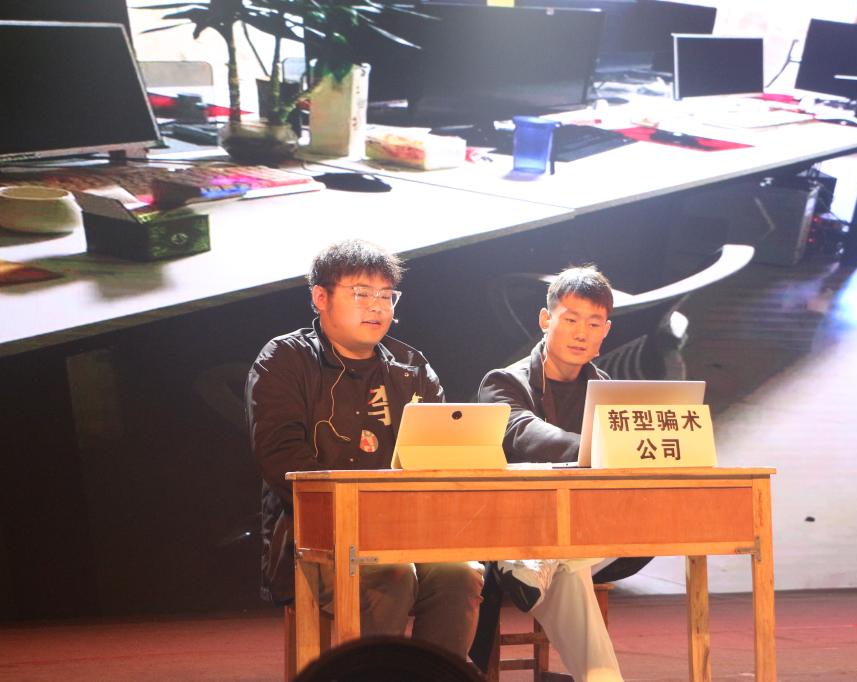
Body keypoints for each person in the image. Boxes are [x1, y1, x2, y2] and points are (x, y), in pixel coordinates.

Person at [246, 239, 483, 659]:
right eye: (361, 293)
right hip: (317, 542)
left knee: (460, 573)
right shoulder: (285, 359)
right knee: (389, 574)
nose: (377, 307)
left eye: (386, 296)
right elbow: (283, 463)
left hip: (409, 535)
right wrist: (363, 523)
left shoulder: (411, 366)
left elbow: (439, 457)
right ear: (321, 297)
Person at [473, 265, 649, 682]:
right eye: (570, 320)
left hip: (590, 534)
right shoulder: (503, 382)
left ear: (606, 331)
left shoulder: (607, 390)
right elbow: (523, 433)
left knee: (623, 534)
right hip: (518, 528)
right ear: (545, 319)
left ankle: (540, 562)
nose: (581, 333)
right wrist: (597, 449)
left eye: (593, 323)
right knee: (570, 569)